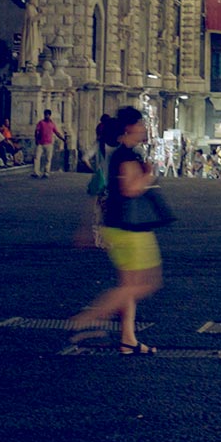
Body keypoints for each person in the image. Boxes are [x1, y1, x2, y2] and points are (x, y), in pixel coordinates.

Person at [69, 107, 161, 354]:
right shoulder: (127, 156)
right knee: (146, 284)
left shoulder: (120, 153)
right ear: (130, 128)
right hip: (129, 229)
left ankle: (128, 340)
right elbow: (131, 190)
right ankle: (92, 315)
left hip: (118, 226)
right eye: (141, 124)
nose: (144, 128)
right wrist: (149, 175)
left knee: (129, 285)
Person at [33, 109, 59, 178]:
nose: (46, 116)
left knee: (48, 158)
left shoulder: (52, 124)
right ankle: (36, 172)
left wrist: (62, 138)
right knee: (37, 158)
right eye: (45, 114)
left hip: (49, 144)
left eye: (48, 115)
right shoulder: (40, 123)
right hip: (40, 143)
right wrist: (36, 139)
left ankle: (46, 172)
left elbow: (56, 132)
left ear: (50, 115)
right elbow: (36, 131)